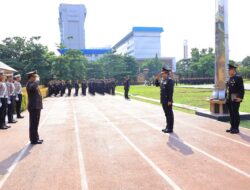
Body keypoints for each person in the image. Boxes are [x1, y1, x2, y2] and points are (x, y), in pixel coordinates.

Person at [226, 63, 245, 134]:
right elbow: (228, 89)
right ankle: (232, 127)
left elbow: (241, 89)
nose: (228, 71)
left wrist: (240, 97)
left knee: (235, 113)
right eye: (228, 70)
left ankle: (236, 128)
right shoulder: (229, 79)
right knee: (231, 113)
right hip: (229, 99)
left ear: (233, 70)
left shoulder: (238, 78)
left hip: (235, 98)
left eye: (229, 70)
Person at [155, 67, 174, 133]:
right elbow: (157, 85)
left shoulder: (170, 80)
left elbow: (170, 91)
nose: (162, 74)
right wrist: (157, 79)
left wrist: (170, 100)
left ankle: (170, 128)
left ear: (166, 73)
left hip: (167, 100)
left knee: (169, 114)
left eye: (163, 73)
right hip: (163, 100)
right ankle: (167, 127)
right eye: (162, 73)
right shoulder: (163, 80)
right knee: (166, 114)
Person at [26, 71, 43, 145]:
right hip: (33, 107)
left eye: (36, 77)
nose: (36, 78)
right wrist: (37, 81)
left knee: (36, 123)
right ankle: (33, 140)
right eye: (34, 77)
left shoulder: (33, 84)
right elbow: (32, 87)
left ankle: (36, 138)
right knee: (33, 123)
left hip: (36, 106)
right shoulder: (29, 84)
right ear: (31, 77)